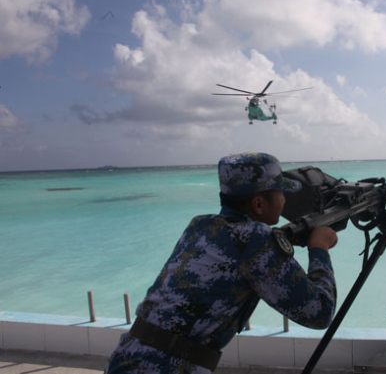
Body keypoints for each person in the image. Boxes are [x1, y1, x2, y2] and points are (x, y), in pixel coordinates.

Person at [105, 152, 338, 373]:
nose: (285, 199)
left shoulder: (199, 226)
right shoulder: (257, 239)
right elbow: (319, 313)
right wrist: (319, 248)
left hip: (127, 357)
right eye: (281, 193)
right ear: (259, 204)